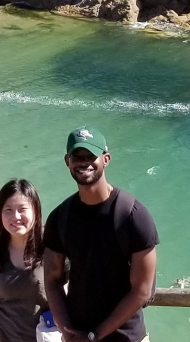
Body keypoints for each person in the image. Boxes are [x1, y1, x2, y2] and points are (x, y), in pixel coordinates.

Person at [44, 126, 159, 342]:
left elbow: (142, 290)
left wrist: (95, 334)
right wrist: (66, 328)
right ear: (67, 160)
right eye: (77, 156)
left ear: (106, 159)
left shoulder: (133, 216)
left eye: (91, 156)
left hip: (126, 337)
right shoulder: (60, 217)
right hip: (79, 335)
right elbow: (52, 279)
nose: (84, 162)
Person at [0, 179, 48, 342]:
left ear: (35, 210)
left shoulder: (51, 247)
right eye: (8, 210)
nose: (16, 217)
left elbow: (69, 298)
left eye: (22, 209)